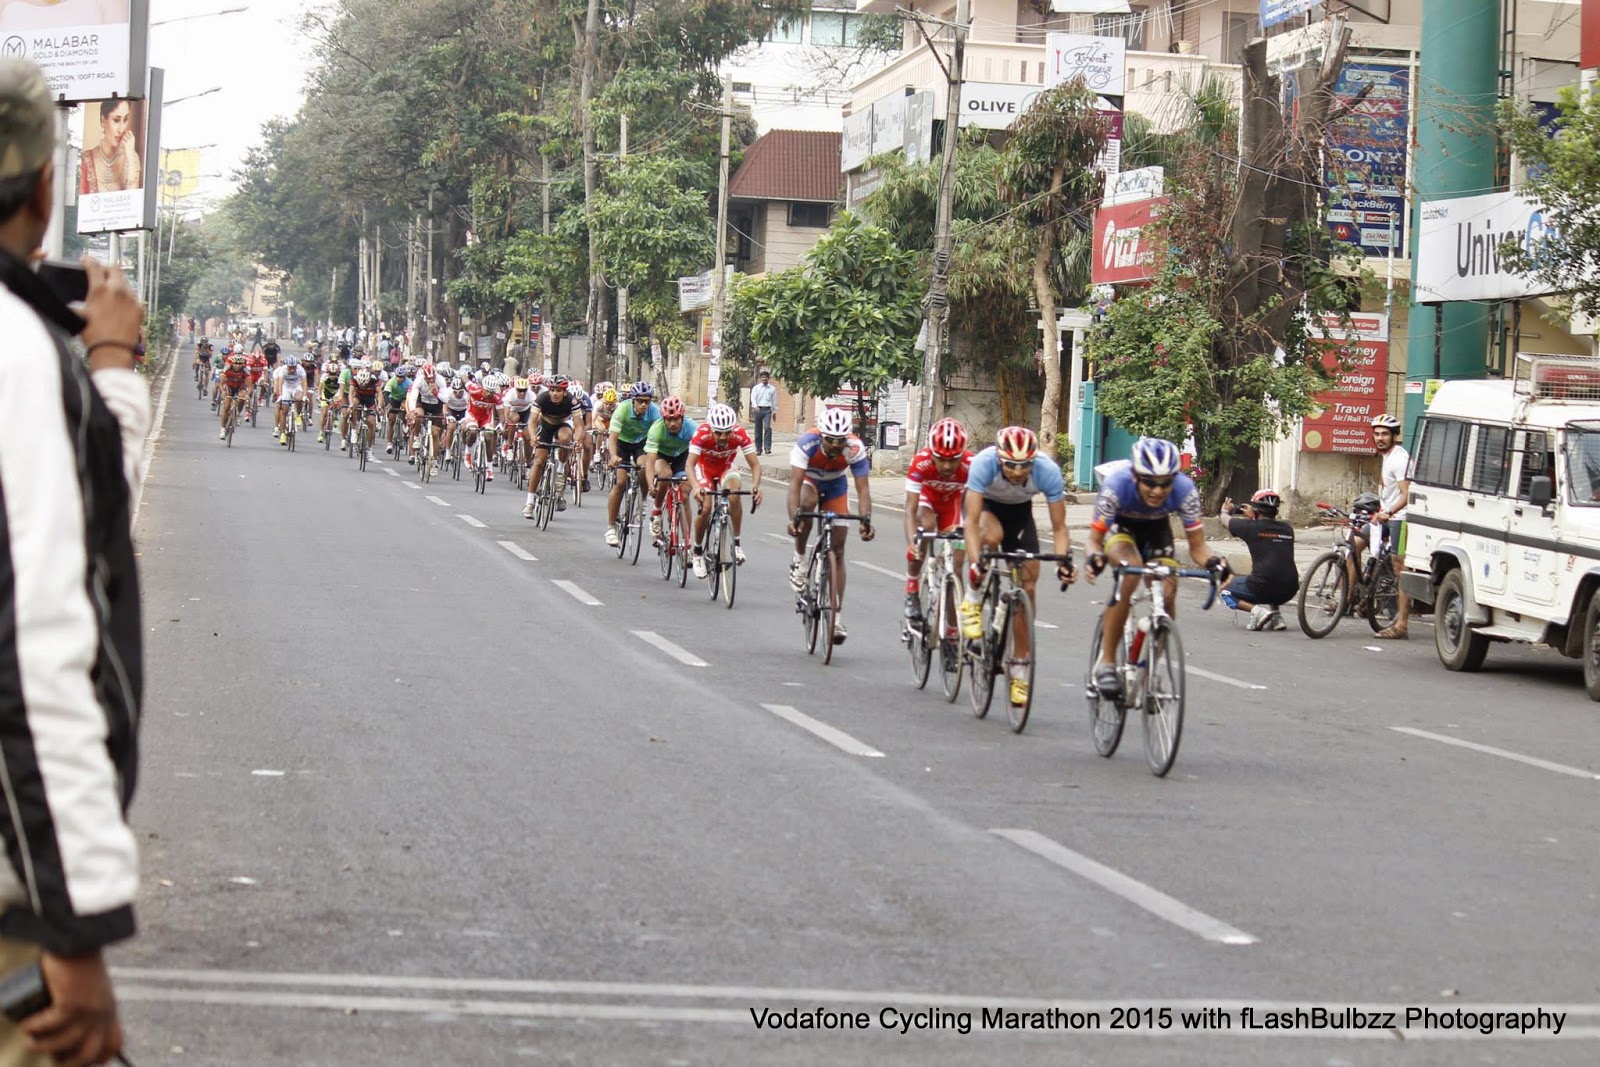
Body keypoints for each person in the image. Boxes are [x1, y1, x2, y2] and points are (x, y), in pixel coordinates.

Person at [0, 55, 145, 1067]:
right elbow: (32, 645)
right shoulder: (14, 349)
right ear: (46, 187)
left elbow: (72, 517)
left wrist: (111, 377)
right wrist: (78, 926)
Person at [1086, 437, 1231, 699]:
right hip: (1121, 530)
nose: (1157, 490)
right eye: (1149, 482)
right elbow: (1094, 541)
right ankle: (1107, 662)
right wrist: (1094, 558)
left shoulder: (1184, 489)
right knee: (1130, 572)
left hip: (1157, 532)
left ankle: (1151, 670)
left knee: (1168, 590)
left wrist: (1215, 562)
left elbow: (1198, 547)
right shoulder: (1116, 486)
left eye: (1165, 483)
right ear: (1135, 476)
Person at [959, 426, 1075, 708]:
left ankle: (1020, 668)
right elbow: (971, 524)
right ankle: (973, 598)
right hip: (985, 508)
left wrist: (1063, 562)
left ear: (1034, 461)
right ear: (999, 458)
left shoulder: (1047, 471)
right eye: (1010, 465)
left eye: (1025, 465)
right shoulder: (984, 463)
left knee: (1029, 584)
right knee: (992, 535)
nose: (1018, 472)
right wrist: (975, 564)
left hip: (1020, 513)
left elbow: (1060, 528)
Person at [787, 408, 876, 643]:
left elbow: (863, 489)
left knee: (838, 548)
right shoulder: (807, 443)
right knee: (807, 504)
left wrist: (866, 519)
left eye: (840, 440)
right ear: (821, 436)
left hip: (836, 485)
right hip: (810, 481)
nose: (835, 445)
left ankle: (836, 619)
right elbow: (794, 486)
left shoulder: (854, 448)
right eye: (830, 440)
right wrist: (793, 519)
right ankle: (800, 559)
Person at [903, 418, 973, 621]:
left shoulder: (972, 464)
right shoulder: (920, 462)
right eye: (941, 459)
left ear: (962, 454)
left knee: (956, 567)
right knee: (926, 527)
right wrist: (912, 543)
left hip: (954, 503)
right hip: (927, 499)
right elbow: (910, 509)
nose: (947, 465)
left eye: (953, 459)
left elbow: (977, 507)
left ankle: (951, 628)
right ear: (932, 453)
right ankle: (912, 589)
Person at [688, 403, 762, 577]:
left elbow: (755, 465)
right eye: (719, 433)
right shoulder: (701, 433)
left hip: (725, 468)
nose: (723, 437)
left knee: (734, 494)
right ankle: (697, 552)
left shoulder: (740, 434)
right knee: (706, 508)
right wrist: (696, 486)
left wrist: (755, 486)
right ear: (711, 429)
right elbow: (690, 464)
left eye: (727, 432)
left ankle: (736, 544)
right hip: (704, 469)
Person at [1362, 413, 1413, 638]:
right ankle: (1356, 600)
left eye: (1385, 434)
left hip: (1400, 519)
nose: (1380, 438)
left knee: (1399, 568)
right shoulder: (1387, 456)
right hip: (1386, 516)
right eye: (1377, 434)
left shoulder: (1399, 459)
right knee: (1357, 540)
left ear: (1394, 436)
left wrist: (1389, 512)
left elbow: (1406, 493)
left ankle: (1401, 625)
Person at [1218, 490, 1297, 631]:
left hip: (1261, 588)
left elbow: (1225, 521)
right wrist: (1255, 517)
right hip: (1289, 590)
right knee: (1275, 569)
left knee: (1225, 589)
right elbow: (1266, 529)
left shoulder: (1249, 527)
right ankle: (1276, 617)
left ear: (1256, 509)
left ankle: (1258, 612)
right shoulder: (1288, 529)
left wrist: (1225, 510)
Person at [604, 382, 661, 548]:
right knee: (620, 482)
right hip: (621, 444)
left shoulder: (654, 411)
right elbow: (612, 438)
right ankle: (611, 529)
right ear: (633, 400)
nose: (644, 405)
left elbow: (658, 435)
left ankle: (642, 499)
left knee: (644, 467)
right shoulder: (622, 409)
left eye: (647, 401)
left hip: (641, 444)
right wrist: (613, 456)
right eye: (640, 401)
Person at [76, 98, 140, 195]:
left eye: (125, 120)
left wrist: (130, 159)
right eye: (116, 120)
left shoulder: (132, 158)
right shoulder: (87, 159)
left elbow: (133, 200)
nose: (121, 129)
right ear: (103, 121)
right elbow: (81, 201)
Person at [750, 370, 776, 455]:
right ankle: (758, 449)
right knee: (758, 430)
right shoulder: (756, 388)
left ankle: (767, 448)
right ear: (761, 378)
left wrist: (774, 411)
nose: (764, 379)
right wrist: (755, 406)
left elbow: (774, 400)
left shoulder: (772, 389)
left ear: (768, 378)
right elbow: (753, 398)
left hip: (767, 410)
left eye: (766, 377)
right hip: (758, 409)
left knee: (767, 428)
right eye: (763, 377)